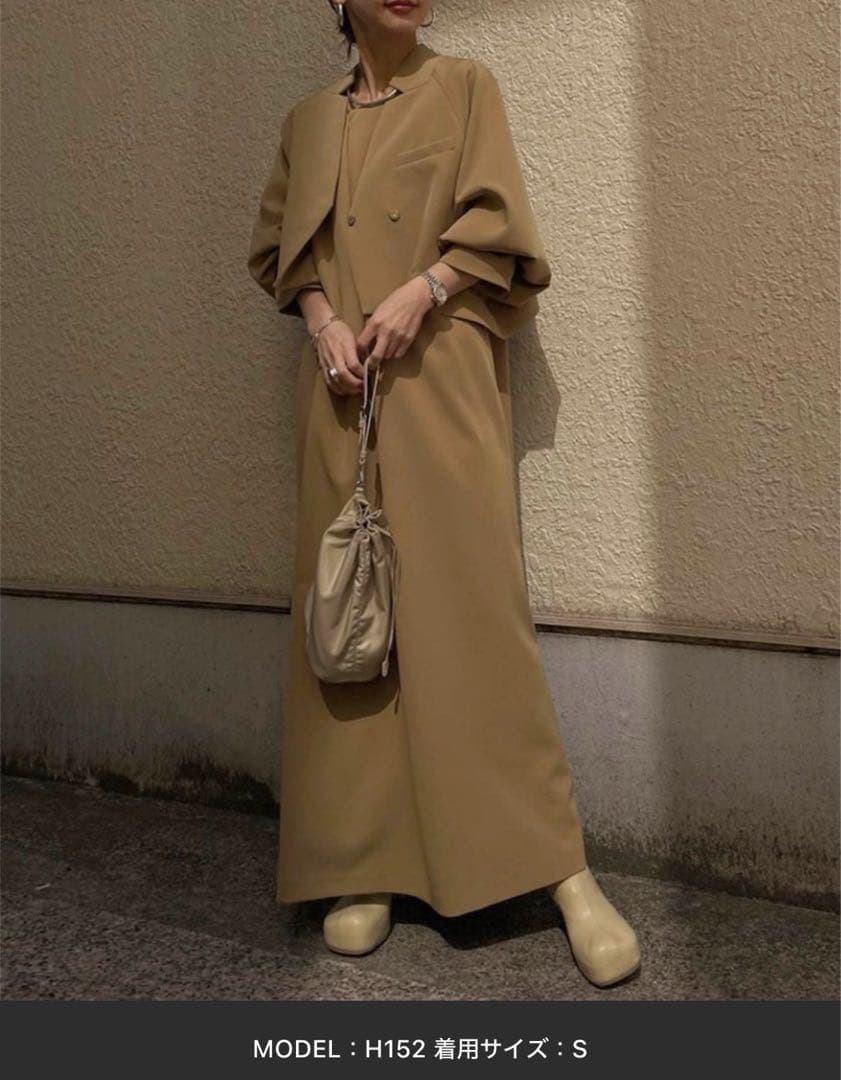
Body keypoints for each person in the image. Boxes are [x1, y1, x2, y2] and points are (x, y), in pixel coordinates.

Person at [247, 0, 641, 988]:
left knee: (474, 614)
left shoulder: (464, 88)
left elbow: (498, 233)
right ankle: (363, 861)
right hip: (343, 395)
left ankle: (559, 869)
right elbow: (280, 252)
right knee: (352, 621)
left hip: (442, 378)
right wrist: (322, 320)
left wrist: (422, 289)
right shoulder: (308, 121)